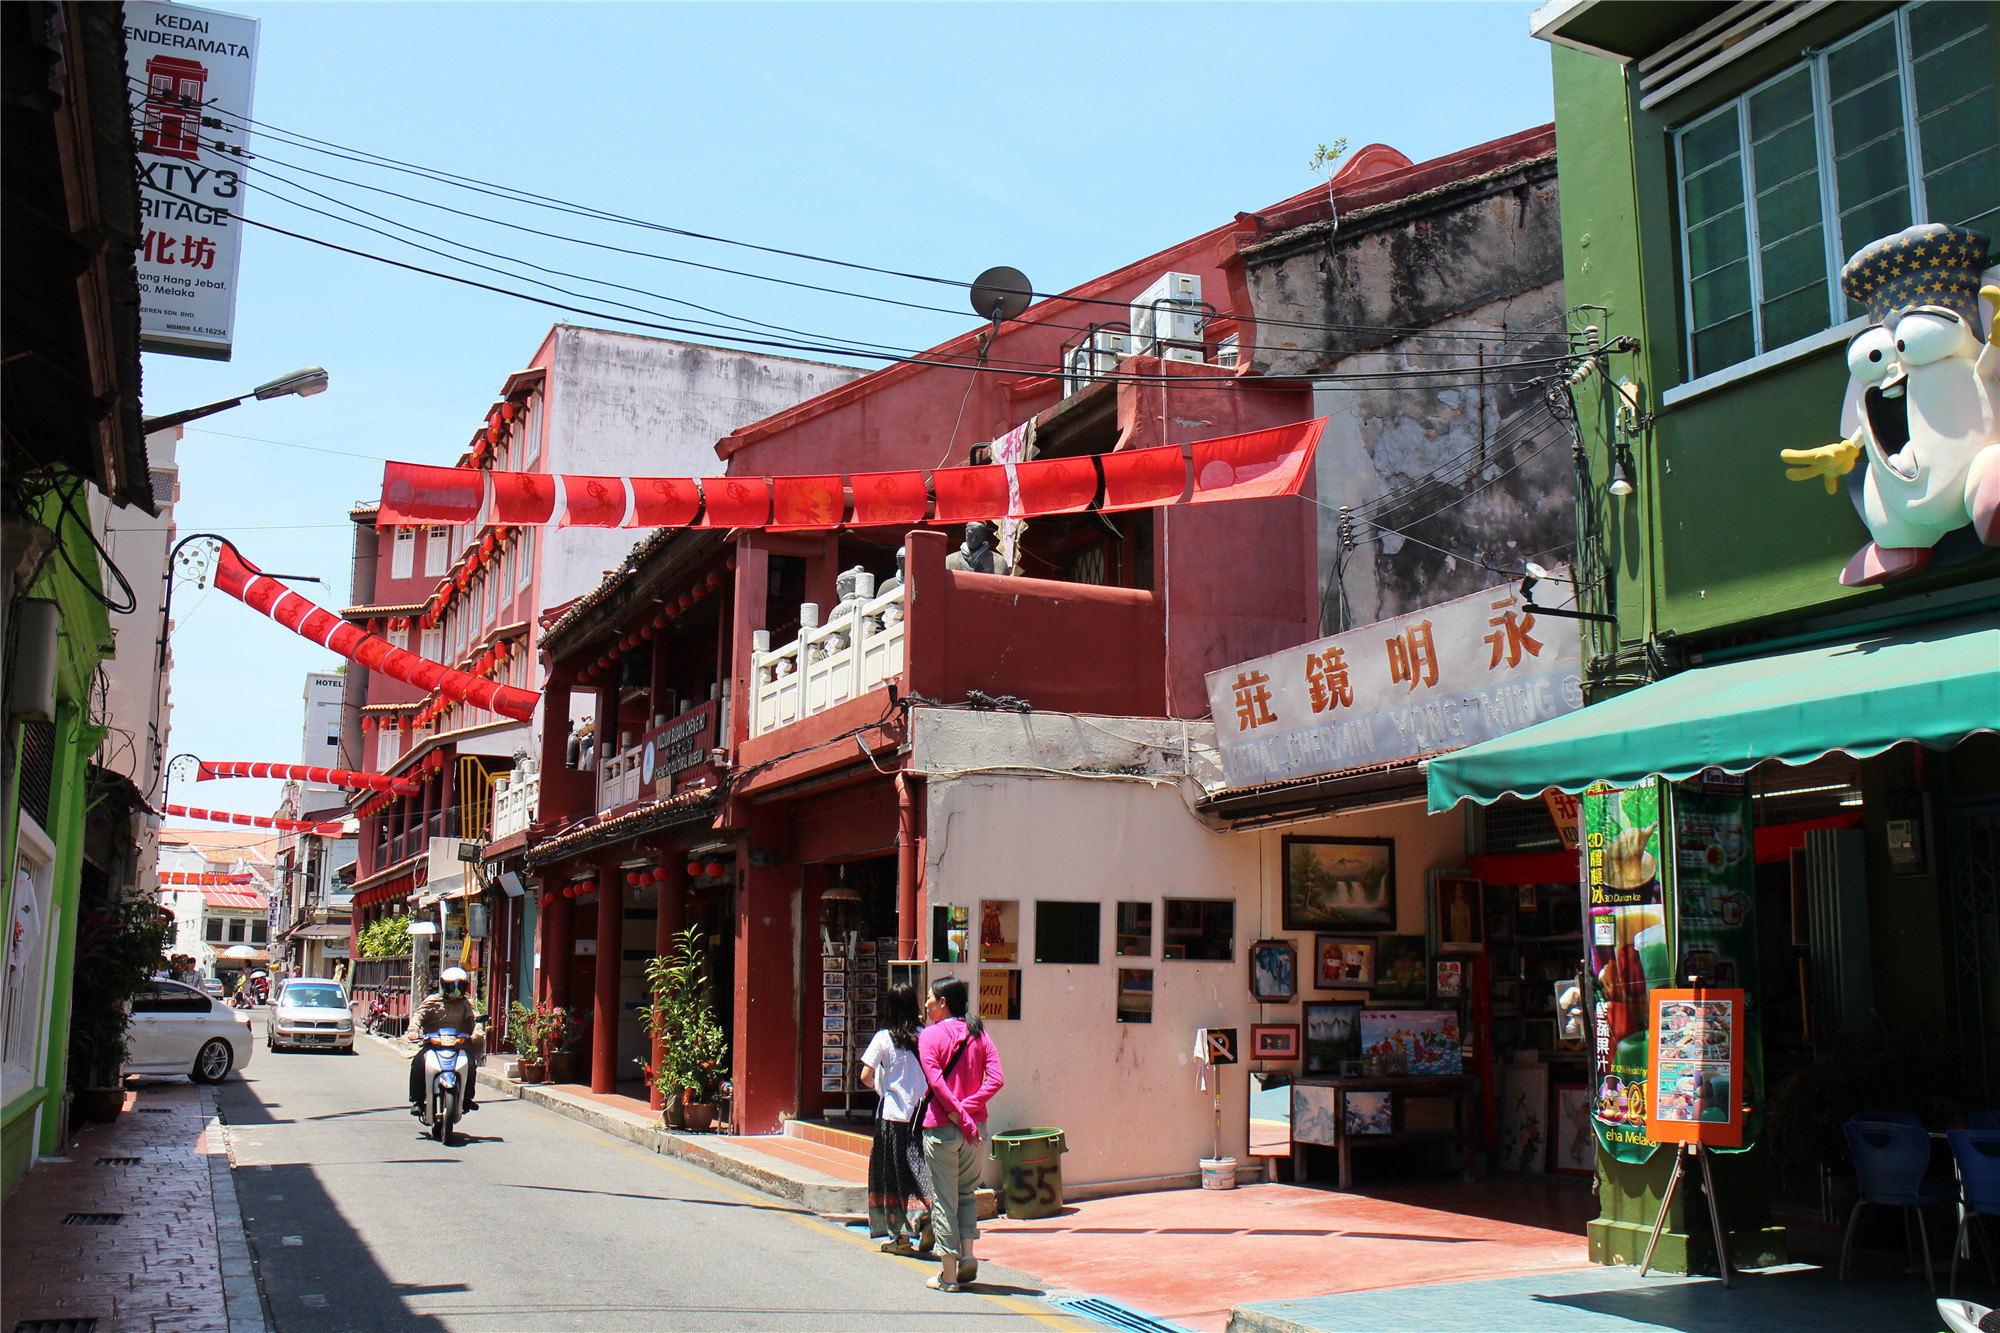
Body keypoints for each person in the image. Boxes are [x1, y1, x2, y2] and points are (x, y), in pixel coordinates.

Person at [918, 976, 1004, 1293]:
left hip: (942, 1127)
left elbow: (937, 1084)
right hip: (975, 1132)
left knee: (944, 1199)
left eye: (929, 998)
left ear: (943, 1003)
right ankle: (969, 1256)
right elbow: (996, 1079)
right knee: (966, 1193)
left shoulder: (929, 1036)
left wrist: (957, 1111)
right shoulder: (979, 1034)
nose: (926, 1004)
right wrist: (969, 1111)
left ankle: (949, 1275)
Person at [860, 983, 932, 1256]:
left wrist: (881, 1088)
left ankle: (901, 1235)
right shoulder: (925, 1036)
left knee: (887, 1177)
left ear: (889, 1006)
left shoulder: (883, 1038)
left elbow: (865, 1075)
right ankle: (924, 1215)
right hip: (919, 1118)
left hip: (890, 1119)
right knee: (916, 1172)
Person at [406, 966, 485, 1114]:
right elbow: (418, 1016)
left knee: (470, 1065)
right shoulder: (433, 1001)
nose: (456, 991)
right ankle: (417, 1101)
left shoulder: (467, 1004)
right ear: (444, 986)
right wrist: (413, 1031)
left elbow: (476, 1021)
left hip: (458, 1045)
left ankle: (467, 1098)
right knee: (418, 1063)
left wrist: (477, 1033)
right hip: (433, 1045)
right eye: (452, 987)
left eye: (460, 987)